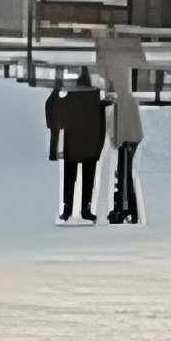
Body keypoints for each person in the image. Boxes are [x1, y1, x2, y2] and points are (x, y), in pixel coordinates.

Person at [59, 69, 109, 224]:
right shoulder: (94, 95)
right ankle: (86, 209)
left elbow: (63, 115)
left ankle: (67, 209)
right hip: (90, 143)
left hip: (73, 142)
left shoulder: (72, 95)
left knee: (69, 178)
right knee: (88, 179)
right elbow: (101, 120)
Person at [107, 71, 145, 226]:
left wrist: (119, 140)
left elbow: (117, 122)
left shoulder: (122, 101)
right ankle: (127, 209)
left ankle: (124, 209)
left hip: (126, 142)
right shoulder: (128, 100)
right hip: (129, 141)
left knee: (124, 176)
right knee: (125, 176)